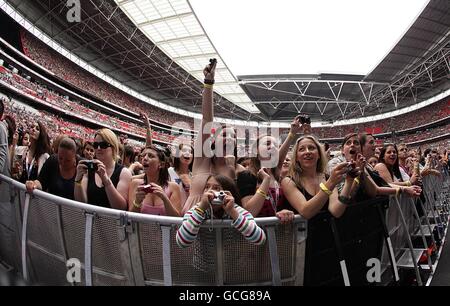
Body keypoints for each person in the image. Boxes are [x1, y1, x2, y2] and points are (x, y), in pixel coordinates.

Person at [176, 174, 266, 248]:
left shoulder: (235, 209)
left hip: (233, 266)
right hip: (203, 267)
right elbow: (181, 242)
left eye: (216, 188)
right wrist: (201, 209)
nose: (210, 191)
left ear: (227, 194)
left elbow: (260, 238)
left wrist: (232, 212)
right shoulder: (198, 208)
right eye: (207, 187)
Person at [74, 128, 131, 210]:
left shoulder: (124, 172)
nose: (99, 148)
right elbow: (81, 202)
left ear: (113, 147)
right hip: (90, 221)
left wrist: (106, 181)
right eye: (96, 145)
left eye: (103, 145)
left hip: (111, 222)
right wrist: (78, 180)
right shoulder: (88, 168)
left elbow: (121, 208)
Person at [128, 144, 181, 216]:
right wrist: (137, 202)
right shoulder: (135, 184)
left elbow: (177, 219)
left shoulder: (173, 187)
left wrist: (165, 199)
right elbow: (130, 219)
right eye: (143, 156)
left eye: (151, 156)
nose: (145, 158)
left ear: (161, 164)